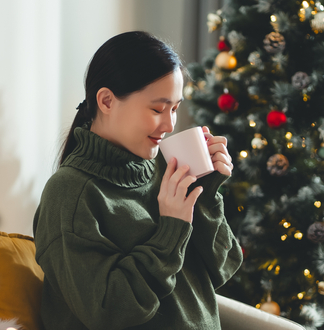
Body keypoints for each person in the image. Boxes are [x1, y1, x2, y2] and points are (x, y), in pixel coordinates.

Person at [32, 31, 243, 330]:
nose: (169, 125)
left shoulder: (164, 165)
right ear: (106, 101)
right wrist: (172, 228)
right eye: (157, 109)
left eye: (175, 108)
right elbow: (110, 312)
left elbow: (225, 266)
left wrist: (206, 195)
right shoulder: (70, 195)